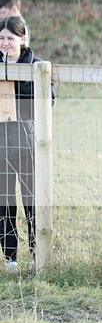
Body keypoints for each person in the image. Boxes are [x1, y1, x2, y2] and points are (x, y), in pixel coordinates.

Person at [0, 16, 38, 272]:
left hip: (26, 144)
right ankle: (10, 258)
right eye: (1, 39)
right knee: (4, 202)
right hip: (1, 145)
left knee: (32, 202)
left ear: (23, 39)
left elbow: (50, 100)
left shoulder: (36, 66)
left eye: (10, 39)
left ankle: (37, 254)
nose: (5, 44)